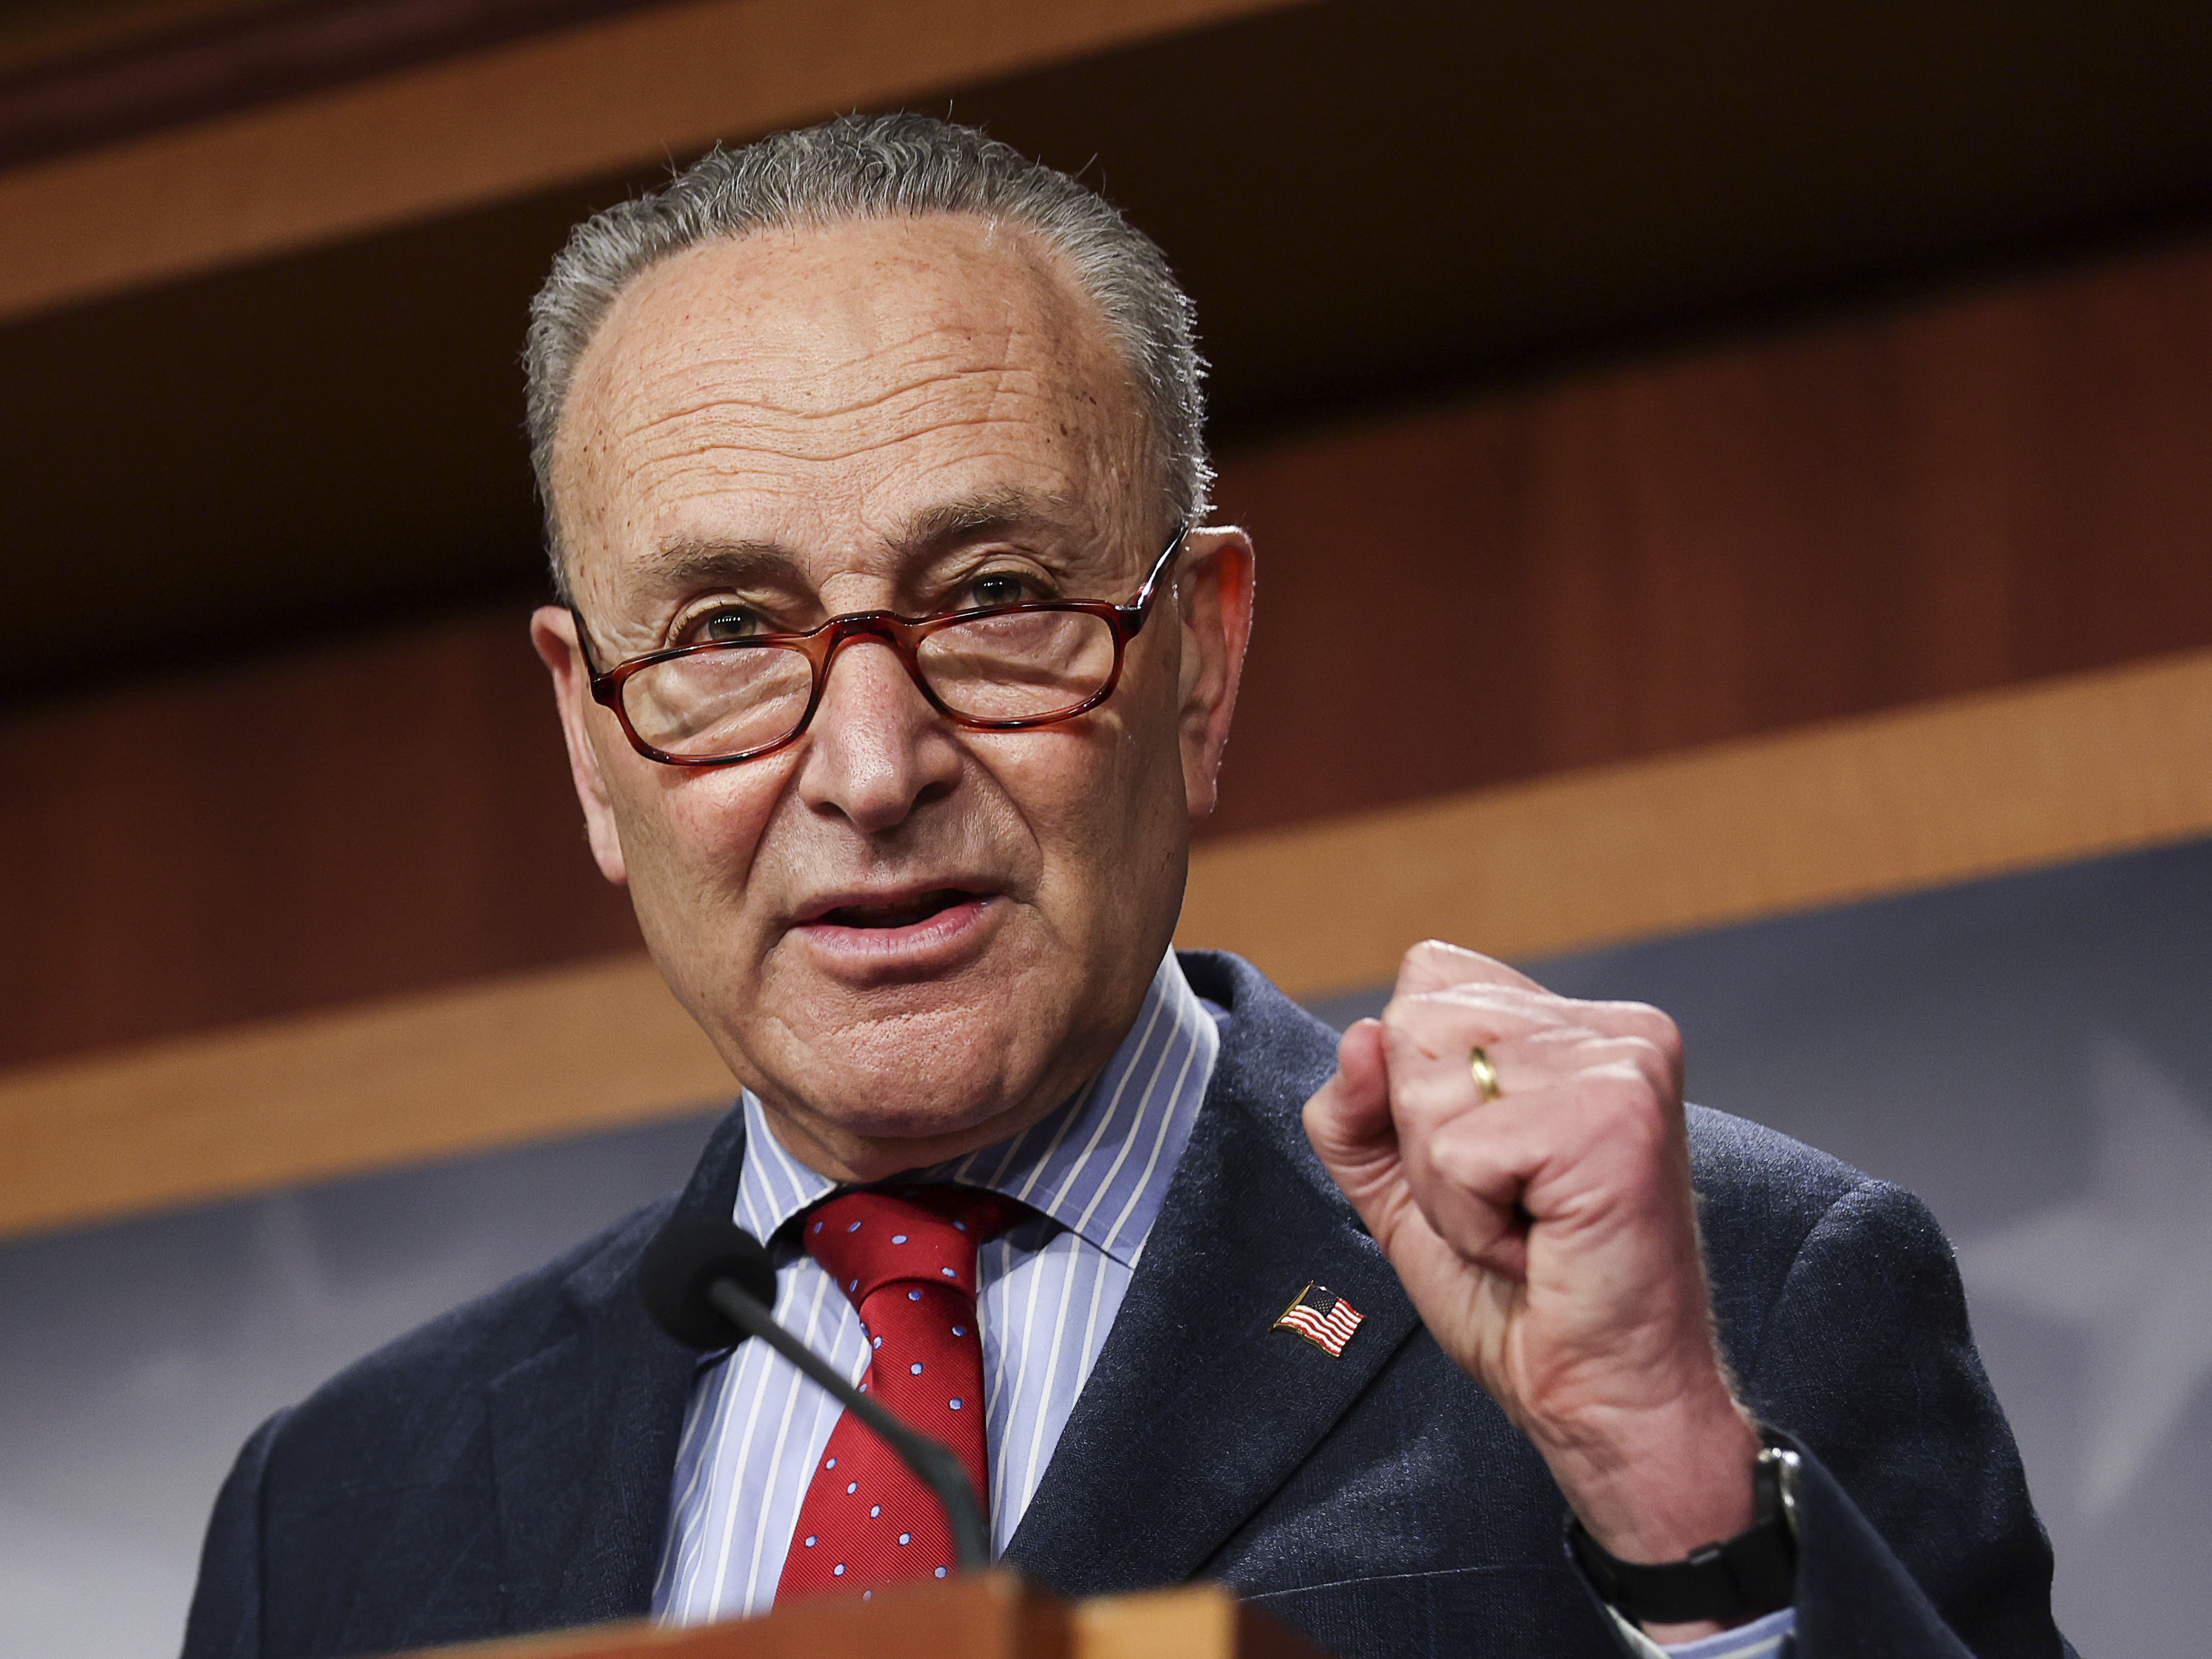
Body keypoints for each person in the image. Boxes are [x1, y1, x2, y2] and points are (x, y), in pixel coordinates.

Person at [182, 115, 2068, 1659]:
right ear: (591, 740)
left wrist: (1685, 1530)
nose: (867, 765)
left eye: (995, 597)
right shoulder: (343, 1507)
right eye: (727, 630)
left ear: (1205, 659)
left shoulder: (1731, 1294)